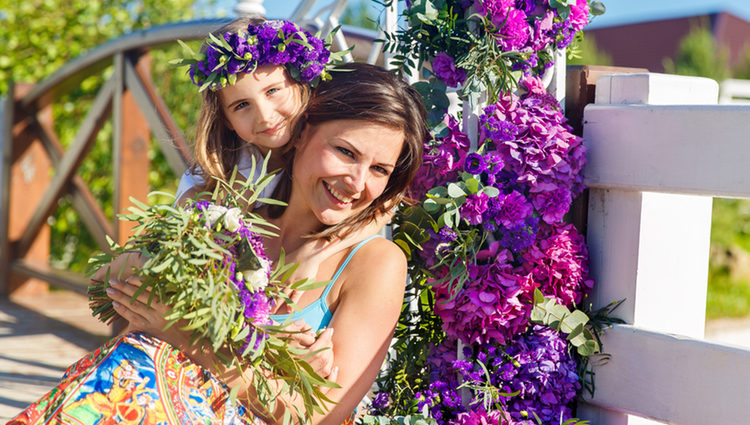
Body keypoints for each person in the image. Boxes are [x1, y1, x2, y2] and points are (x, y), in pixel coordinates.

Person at [9, 47, 427, 425]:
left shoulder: (375, 262)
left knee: (150, 360)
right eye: (346, 152)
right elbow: (111, 283)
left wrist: (187, 335)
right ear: (301, 133)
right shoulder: (230, 217)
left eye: (379, 170)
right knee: (138, 359)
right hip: (164, 398)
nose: (356, 183)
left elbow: (319, 417)